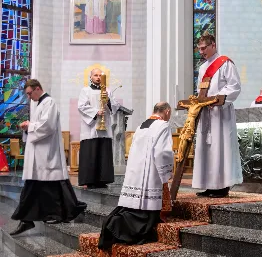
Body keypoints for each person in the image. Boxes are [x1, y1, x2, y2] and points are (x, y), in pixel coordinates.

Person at [10, 79, 87, 235]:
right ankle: (32, 218)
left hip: (46, 153)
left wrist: (29, 126)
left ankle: (29, 219)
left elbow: (48, 126)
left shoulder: (49, 102)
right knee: (45, 185)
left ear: (38, 88)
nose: (29, 97)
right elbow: (40, 125)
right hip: (39, 153)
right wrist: (28, 127)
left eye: (30, 93)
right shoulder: (39, 104)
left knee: (46, 185)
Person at [98, 102, 173, 250]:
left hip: (136, 172)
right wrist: (166, 172)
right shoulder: (163, 126)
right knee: (145, 208)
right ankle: (117, 226)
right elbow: (162, 153)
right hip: (149, 172)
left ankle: (114, 224)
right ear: (167, 111)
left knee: (135, 206)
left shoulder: (142, 125)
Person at [193, 34, 242, 198]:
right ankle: (209, 184)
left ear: (213, 45)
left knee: (220, 148)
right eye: (199, 49)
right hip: (206, 113)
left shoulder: (225, 63)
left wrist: (219, 98)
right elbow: (201, 90)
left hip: (221, 114)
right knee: (207, 149)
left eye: (203, 48)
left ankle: (222, 186)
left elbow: (234, 86)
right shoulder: (202, 68)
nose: (201, 52)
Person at [78, 68, 120, 189]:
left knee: (103, 152)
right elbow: (81, 106)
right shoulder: (85, 90)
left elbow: (115, 106)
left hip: (105, 127)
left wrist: (108, 101)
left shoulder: (108, 91)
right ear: (90, 77)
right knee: (91, 152)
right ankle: (89, 180)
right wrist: (96, 112)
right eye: (95, 75)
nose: (97, 77)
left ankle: (103, 179)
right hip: (90, 127)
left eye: (100, 75)